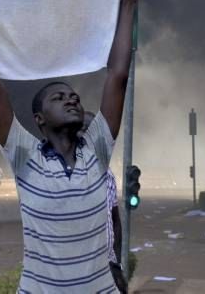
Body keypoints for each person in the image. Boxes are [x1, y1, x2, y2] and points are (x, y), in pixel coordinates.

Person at [0, 0, 138, 293]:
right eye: (58, 97)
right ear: (39, 120)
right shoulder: (25, 157)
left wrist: (128, 3)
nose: (72, 100)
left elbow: (117, 76)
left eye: (74, 96)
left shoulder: (98, 149)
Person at [82, 111, 125, 291]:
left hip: (106, 268)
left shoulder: (108, 175)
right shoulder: (60, 177)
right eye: (85, 131)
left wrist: (115, 263)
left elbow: (115, 221)